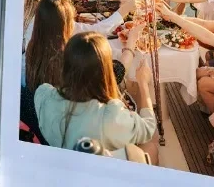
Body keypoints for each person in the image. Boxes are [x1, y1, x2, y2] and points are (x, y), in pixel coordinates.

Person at [34, 30, 156, 161]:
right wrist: (143, 84)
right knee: (151, 148)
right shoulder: (111, 115)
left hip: (63, 162)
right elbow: (148, 128)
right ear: (106, 70)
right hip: (98, 166)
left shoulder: (43, 95)